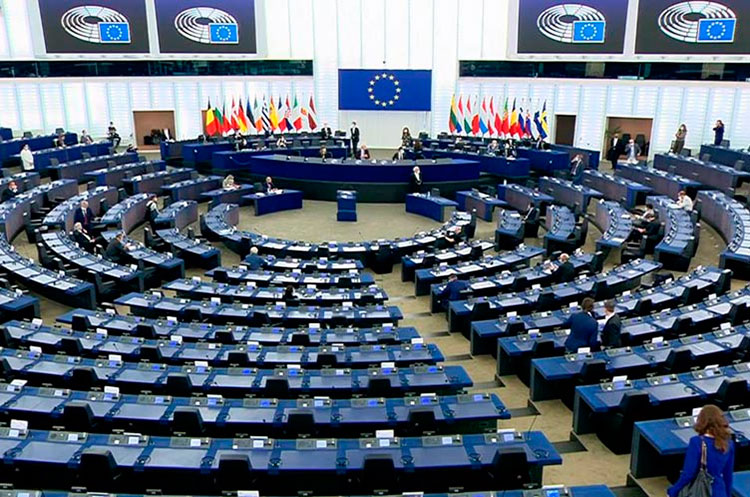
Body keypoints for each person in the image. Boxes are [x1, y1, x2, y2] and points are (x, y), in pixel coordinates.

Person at [667, 404, 734, 497]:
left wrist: (673, 491)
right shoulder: (729, 443)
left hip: (701, 491)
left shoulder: (696, 442)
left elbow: (688, 474)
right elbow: (728, 475)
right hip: (720, 491)